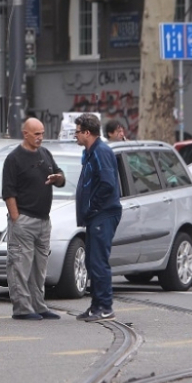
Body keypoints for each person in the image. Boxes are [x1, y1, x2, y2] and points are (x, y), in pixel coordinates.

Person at [3, 118, 65, 320]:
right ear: (25, 134)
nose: (40, 138)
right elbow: (8, 192)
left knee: (40, 267)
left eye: (42, 133)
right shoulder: (14, 158)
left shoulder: (45, 153)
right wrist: (16, 219)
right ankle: (22, 308)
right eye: (36, 134)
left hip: (43, 220)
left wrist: (58, 178)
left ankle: (38, 305)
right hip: (24, 219)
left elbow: (60, 175)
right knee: (20, 265)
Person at [74, 113, 122, 323]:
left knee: (98, 261)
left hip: (103, 214)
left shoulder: (100, 152)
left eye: (77, 132)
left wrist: (92, 207)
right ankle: (96, 305)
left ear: (86, 132)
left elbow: (107, 184)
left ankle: (105, 306)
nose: (75, 136)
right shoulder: (91, 152)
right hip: (96, 215)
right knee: (92, 260)